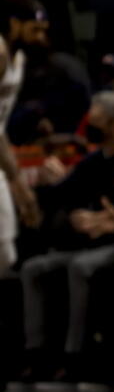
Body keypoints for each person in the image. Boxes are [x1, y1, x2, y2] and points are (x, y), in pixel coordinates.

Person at [18, 91, 114, 386]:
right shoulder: (94, 161)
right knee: (33, 268)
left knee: (80, 267)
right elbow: (63, 194)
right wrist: (49, 189)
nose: (89, 126)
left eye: (97, 121)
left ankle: (74, 356)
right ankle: (35, 352)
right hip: (88, 243)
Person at [5, 0, 91, 144]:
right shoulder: (4, 54)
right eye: (35, 29)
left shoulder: (32, 62)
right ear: (15, 24)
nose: (40, 37)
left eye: (43, 30)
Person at [1, 35, 38, 273]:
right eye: (34, 29)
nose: (40, 36)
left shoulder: (20, 58)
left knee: (5, 252)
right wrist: (18, 183)